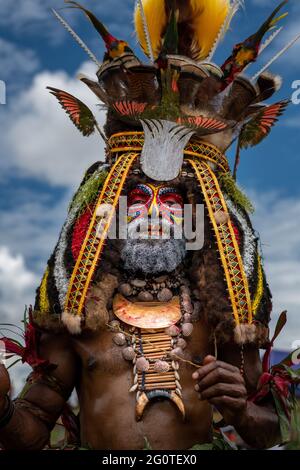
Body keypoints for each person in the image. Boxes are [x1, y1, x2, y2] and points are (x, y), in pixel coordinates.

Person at [0, 0, 295, 450]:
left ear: (200, 214)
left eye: (173, 203)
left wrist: (239, 410)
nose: (155, 214)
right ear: (108, 210)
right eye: (138, 200)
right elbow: (33, 426)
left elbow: (270, 430)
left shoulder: (221, 318)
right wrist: (1, 407)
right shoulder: (79, 318)